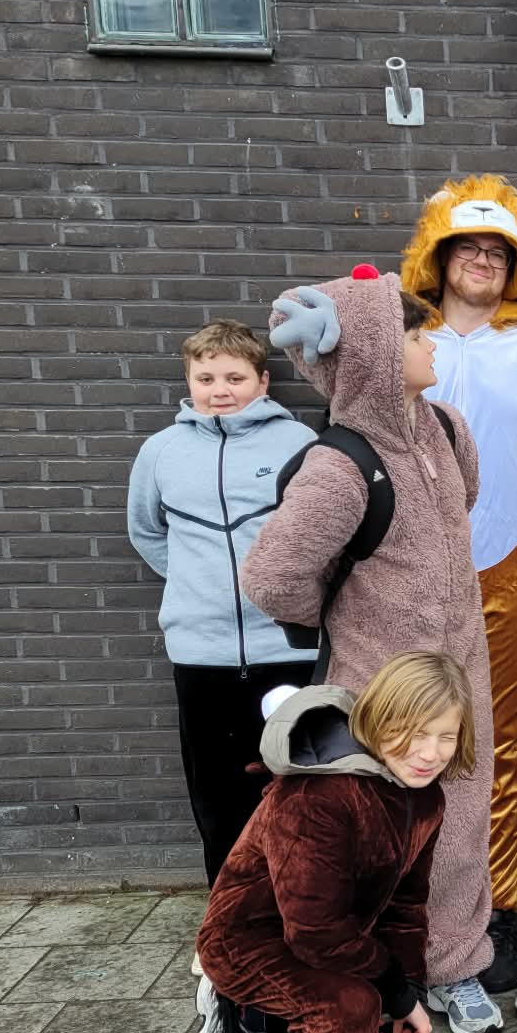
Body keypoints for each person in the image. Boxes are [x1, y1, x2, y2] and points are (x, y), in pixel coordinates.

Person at [239, 268, 502, 1033]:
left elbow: (461, 507)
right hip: (380, 688)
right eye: (414, 334)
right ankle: (380, 977)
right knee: (376, 837)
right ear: (375, 355)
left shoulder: (448, 428)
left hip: (461, 674)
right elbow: (272, 577)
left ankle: (456, 963)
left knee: (460, 820)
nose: (430, 344)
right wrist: (347, 623)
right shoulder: (339, 467)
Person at [194, 651, 475, 1033]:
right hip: (250, 941)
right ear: (380, 718)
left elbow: (406, 907)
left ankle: (277, 1030)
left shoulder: (426, 800)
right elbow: (313, 929)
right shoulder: (318, 794)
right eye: (414, 732)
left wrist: (410, 991)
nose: (430, 753)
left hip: (336, 945)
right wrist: (393, 996)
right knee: (351, 1008)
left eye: (446, 736)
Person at [400, 176, 517, 995]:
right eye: (468, 248)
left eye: (498, 252)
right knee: (418, 735)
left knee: (509, 742)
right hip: (417, 572)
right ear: (438, 257)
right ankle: (420, 906)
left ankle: (498, 908)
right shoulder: (408, 346)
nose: (482, 261)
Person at [125, 320, 316, 891]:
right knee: (216, 797)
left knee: (298, 793)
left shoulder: (299, 444)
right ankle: (229, 913)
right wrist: (198, 582)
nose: (220, 390)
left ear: (263, 381)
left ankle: (299, 909)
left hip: (286, 649)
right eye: (205, 378)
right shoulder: (161, 451)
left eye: (235, 377)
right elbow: (147, 531)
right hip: (201, 654)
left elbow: (320, 534)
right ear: (189, 381)